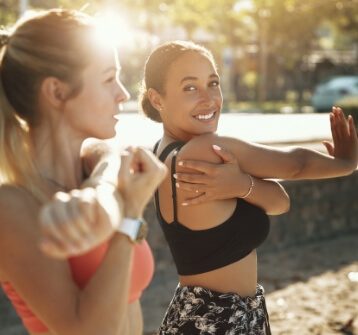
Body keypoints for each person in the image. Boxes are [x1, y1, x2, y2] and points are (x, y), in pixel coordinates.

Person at [138, 40, 358, 334]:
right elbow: (295, 165)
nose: (209, 98)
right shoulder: (204, 151)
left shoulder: (163, 152)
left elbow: (281, 201)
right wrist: (346, 164)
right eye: (190, 87)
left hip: (203, 315)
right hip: (220, 321)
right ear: (157, 99)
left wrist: (242, 185)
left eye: (213, 83)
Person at [0, 9, 166, 335]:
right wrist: (130, 213)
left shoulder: (89, 168)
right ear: (57, 92)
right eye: (108, 79)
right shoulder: (13, 206)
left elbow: (108, 157)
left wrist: (100, 191)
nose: (124, 93)